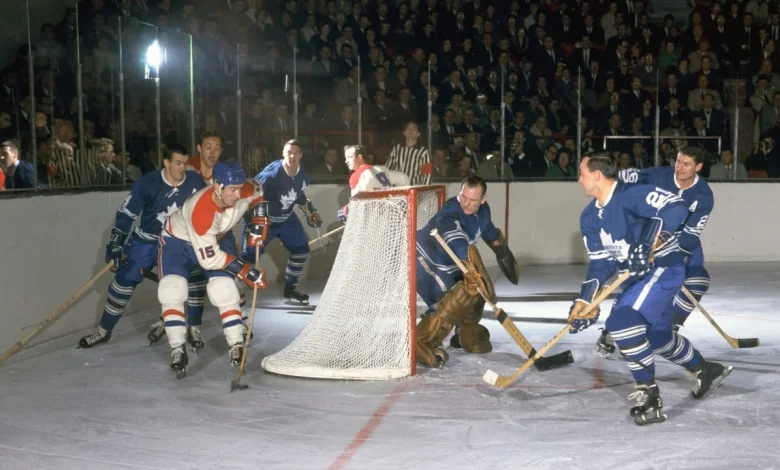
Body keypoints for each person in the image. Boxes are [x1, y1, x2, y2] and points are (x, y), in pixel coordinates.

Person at [570, 151, 732, 425]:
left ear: (596, 176)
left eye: (582, 173)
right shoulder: (588, 217)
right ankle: (706, 370)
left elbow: (676, 208)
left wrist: (647, 241)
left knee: (621, 325)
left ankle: (649, 394)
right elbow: (601, 264)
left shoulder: (632, 195)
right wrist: (586, 301)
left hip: (663, 269)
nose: (579, 179)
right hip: (635, 278)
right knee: (658, 337)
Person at [78, 144, 207, 349]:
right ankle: (103, 331)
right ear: (166, 162)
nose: (182, 168)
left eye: (185, 163)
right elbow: (127, 214)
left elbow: (206, 210)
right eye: (178, 163)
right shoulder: (148, 183)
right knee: (123, 281)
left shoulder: (194, 181)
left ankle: (192, 327)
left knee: (193, 279)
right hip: (147, 239)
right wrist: (116, 244)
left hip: (180, 240)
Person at [595, 146, 714, 357]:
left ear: (699, 167)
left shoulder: (704, 195)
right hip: (646, 235)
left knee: (698, 280)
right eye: (678, 161)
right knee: (632, 281)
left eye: (686, 164)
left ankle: (669, 327)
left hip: (678, 241)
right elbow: (623, 176)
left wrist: (666, 250)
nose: (679, 167)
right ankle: (609, 332)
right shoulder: (658, 175)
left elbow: (690, 235)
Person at [158, 160, 269, 378]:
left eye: (239, 188)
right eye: (232, 189)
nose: (238, 195)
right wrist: (247, 271)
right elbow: (210, 260)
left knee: (224, 287)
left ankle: (236, 343)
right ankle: (177, 347)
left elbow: (257, 191)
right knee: (172, 288)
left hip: (217, 235)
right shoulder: (201, 211)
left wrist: (259, 219)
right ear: (217, 186)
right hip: (178, 241)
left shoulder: (244, 188)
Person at [414, 176, 520, 367]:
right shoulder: (450, 212)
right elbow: (457, 241)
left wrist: (501, 249)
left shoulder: (483, 211)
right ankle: (421, 342)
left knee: (476, 293)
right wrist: (472, 266)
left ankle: (466, 335)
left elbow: (487, 230)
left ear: (483, 199)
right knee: (455, 297)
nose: (466, 203)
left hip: (450, 263)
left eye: (472, 200)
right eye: (463, 197)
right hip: (424, 259)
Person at [242, 139, 323, 306]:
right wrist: (250, 219)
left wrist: (311, 211)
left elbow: (298, 195)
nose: (292, 156)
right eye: (288, 153)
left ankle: (291, 289)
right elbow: (251, 192)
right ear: (283, 154)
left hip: (286, 219)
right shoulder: (271, 175)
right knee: (248, 258)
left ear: (301, 155)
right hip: (264, 220)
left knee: (301, 250)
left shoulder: (303, 176)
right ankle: (235, 295)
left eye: (295, 153)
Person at [337, 144, 410, 223]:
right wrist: (398, 199)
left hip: (372, 222)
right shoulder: (380, 169)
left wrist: (347, 210)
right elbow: (404, 178)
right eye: (346, 158)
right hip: (390, 217)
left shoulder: (358, 175)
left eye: (349, 157)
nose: (346, 161)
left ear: (360, 158)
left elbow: (361, 203)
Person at [385, 121, 432, 186]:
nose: (411, 130)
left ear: (418, 134)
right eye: (408, 128)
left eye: (414, 128)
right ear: (404, 133)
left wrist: (424, 192)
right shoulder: (396, 149)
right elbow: (387, 169)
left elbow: (428, 174)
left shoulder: (424, 152)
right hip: (397, 189)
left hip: (414, 189)